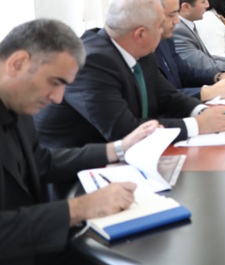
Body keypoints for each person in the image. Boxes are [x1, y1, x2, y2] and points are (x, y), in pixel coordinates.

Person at [1, 19, 161, 264]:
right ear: (18, 63)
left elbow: (39, 162)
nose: (58, 98)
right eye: (54, 82)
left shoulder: (17, 101)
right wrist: (81, 207)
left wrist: (116, 149)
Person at [34, 0, 225, 148]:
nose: (171, 26)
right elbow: (123, 131)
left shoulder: (140, 50)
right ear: (140, 34)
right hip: (78, 171)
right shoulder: (92, 63)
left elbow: (167, 96)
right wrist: (197, 125)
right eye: (161, 26)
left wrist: (202, 111)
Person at [137, 0, 225, 102]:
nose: (177, 21)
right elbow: (161, 96)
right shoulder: (139, 51)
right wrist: (208, 92)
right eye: (171, 15)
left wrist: (218, 76)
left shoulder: (165, 39)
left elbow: (184, 71)